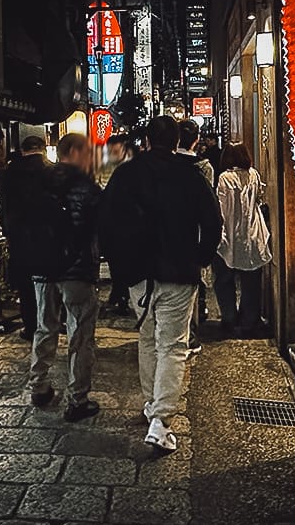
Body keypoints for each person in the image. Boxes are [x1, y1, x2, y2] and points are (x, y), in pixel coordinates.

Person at [99, 116, 221, 452]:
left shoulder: (126, 175)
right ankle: (160, 419)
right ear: (177, 139)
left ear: (148, 141)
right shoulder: (190, 175)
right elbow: (213, 222)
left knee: (148, 337)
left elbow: (106, 223)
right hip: (179, 272)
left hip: (138, 274)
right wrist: (201, 257)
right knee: (172, 345)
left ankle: (152, 404)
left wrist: (120, 268)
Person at [27, 133, 103, 422]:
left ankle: (39, 386)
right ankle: (77, 399)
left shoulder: (39, 181)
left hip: (42, 268)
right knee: (80, 334)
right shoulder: (86, 186)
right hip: (77, 270)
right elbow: (98, 226)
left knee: (44, 326)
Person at [213, 143, 272, 338]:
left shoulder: (224, 178)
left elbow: (221, 207)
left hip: (228, 233)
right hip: (252, 233)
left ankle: (229, 317)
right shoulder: (253, 175)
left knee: (224, 279)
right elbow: (261, 198)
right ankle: (249, 320)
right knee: (251, 281)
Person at [0, 135, 50, 340]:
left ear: (23, 150)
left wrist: (7, 231)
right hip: (47, 236)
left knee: (26, 285)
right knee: (48, 281)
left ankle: (30, 327)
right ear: (43, 149)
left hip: (20, 237)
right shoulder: (51, 170)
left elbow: (3, 206)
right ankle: (50, 323)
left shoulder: (11, 173)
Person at [176, 120, 214, 354]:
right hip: (194, 236)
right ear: (196, 139)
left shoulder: (165, 166)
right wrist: (206, 253)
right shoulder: (203, 168)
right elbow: (211, 214)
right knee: (193, 286)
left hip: (169, 241)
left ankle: (187, 333)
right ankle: (190, 334)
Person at [98, 133, 135, 315]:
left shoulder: (132, 168)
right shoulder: (103, 167)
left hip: (129, 223)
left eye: (115, 150)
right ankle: (120, 294)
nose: (112, 153)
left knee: (126, 261)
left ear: (124, 149)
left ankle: (123, 294)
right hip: (111, 223)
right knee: (115, 261)